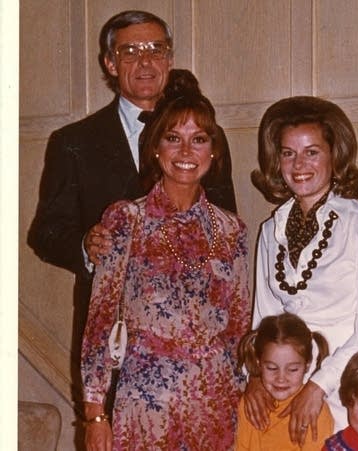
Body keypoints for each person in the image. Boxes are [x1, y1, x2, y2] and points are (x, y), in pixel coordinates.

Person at [27, 10, 237, 398]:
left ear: (169, 60)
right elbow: (45, 231)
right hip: (114, 334)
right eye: (130, 51)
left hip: (194, 336)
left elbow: (225, 221)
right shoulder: (73, 141)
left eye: (155, 49)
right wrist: (85, 245)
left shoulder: (209, 136)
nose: (145, 61)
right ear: (110, 63)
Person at [80, 70, 250, 450]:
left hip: (215, 402)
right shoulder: (126, 219)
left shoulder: (232, 230)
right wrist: (95, 414)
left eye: (199, 140)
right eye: (174, 138)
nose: (186, 152)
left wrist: (243, 393)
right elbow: (100, 323)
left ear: (213, 151)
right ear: (156, 147)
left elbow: (238, 330)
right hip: (146, 403)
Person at [247, 96, 358, 444]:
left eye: (312, 152)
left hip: (346, 396)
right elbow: (263, 320)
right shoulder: (271, 230)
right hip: (283, 392)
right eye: (288, 153)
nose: (299, 164)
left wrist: (317, 385)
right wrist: (256, 378)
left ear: (335, 156)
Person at [235, 313, 333, 450]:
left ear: (307, 365)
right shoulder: (250, 402)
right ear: (259, 363)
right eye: (271, 368)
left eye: (292, 369)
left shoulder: (315, 411)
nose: (281, 378)